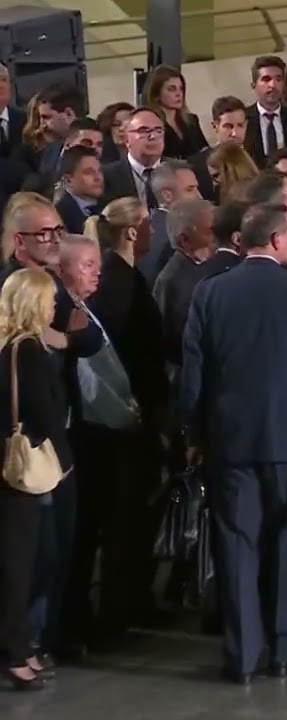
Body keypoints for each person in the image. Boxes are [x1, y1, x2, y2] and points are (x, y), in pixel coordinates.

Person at [178, 202, 287, 684]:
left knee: (237, 544)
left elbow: (193, 373)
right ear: (281, 239)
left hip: (229, 441)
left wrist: (194, 435)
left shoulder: (210, 293)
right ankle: (285, 649)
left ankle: (243, 655)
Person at [0, 269, 67, 691]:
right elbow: (44, 411)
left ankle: (18, 647)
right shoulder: (28, 349)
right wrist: (66, 457)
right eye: (50, 299)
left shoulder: (5, 346)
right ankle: (17, 653)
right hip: (22, 470)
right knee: (19, 566)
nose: (55, 306)